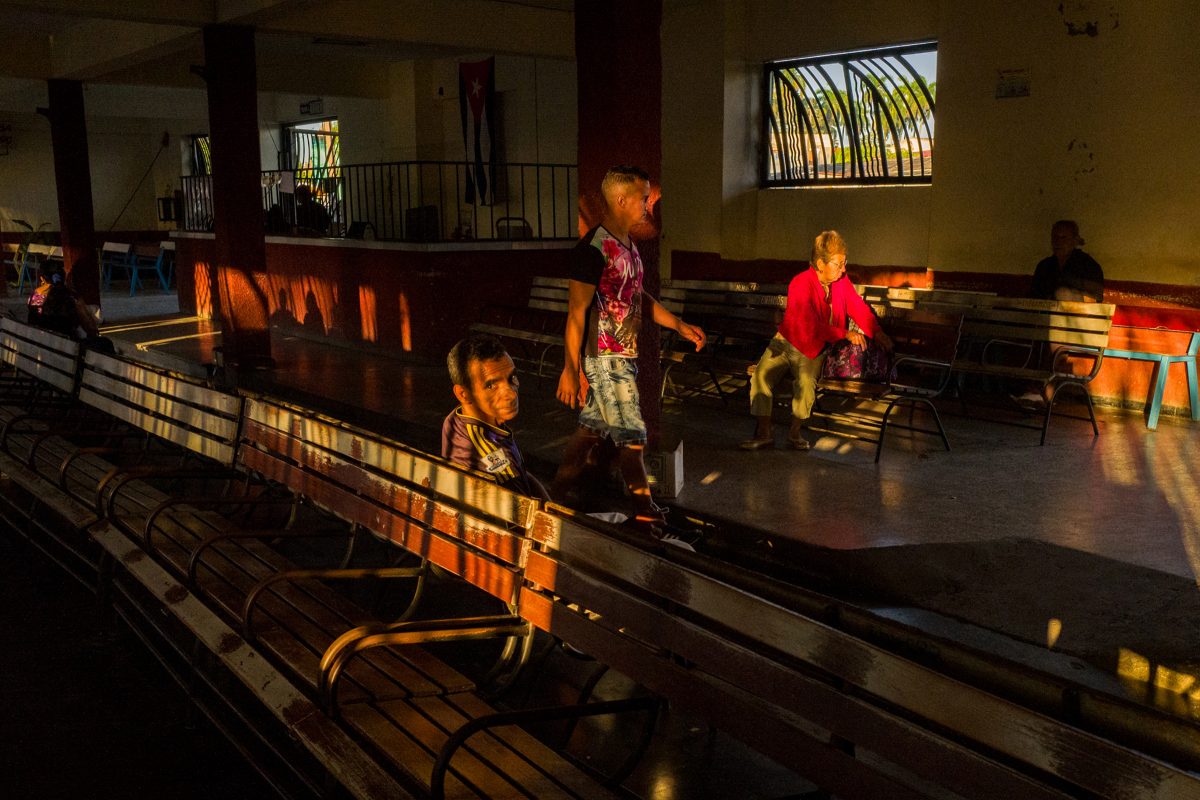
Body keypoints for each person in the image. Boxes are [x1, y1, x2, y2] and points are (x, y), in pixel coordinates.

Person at [551, 165, 706, 535]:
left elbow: (637, 296)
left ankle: (554, 496)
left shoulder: (627, 246)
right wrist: (570, 369)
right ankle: (644, 510)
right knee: (632, 436)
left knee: (589, 432)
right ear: (621, 199)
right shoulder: (592, 249)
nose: (649, 205)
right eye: (644, 197)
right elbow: (575, 313)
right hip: (605, 359)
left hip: (623, 356)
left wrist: (678, 324)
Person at [741, 230, 892, 451]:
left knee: (805, 383)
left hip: (813, 348)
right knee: (761, 376)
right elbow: (808, 325)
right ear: (821, 264)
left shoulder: (841, 282)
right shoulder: (800, 283)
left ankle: (794, 434)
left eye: (844, 262)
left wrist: (877, 333)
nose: (844, 269)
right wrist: (845, 334)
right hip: (786, 342)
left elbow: (857, 307)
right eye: (839, 264)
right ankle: (764, 432)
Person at [442, 334, 549, 500]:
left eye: (511, 378)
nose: (511, 394)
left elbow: (524, 475)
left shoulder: (456, 419)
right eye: (491, 385)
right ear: (463, 394)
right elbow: (524, 519)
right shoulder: (496, 457)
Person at [27, 261, 115, 354]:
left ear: (42, 278)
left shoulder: (33, 296)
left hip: (38, 347)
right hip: (65, 350)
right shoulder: (71, 296)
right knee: (106, 343)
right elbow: (91, 329)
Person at [1030, 220, 1103, 302]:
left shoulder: (1088, 265)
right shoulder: (1044, 266)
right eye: (1055, 237)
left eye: (1063, 237)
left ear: (1075, 240)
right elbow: (1033, 297)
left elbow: (1097, 298)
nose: (1058, 242)